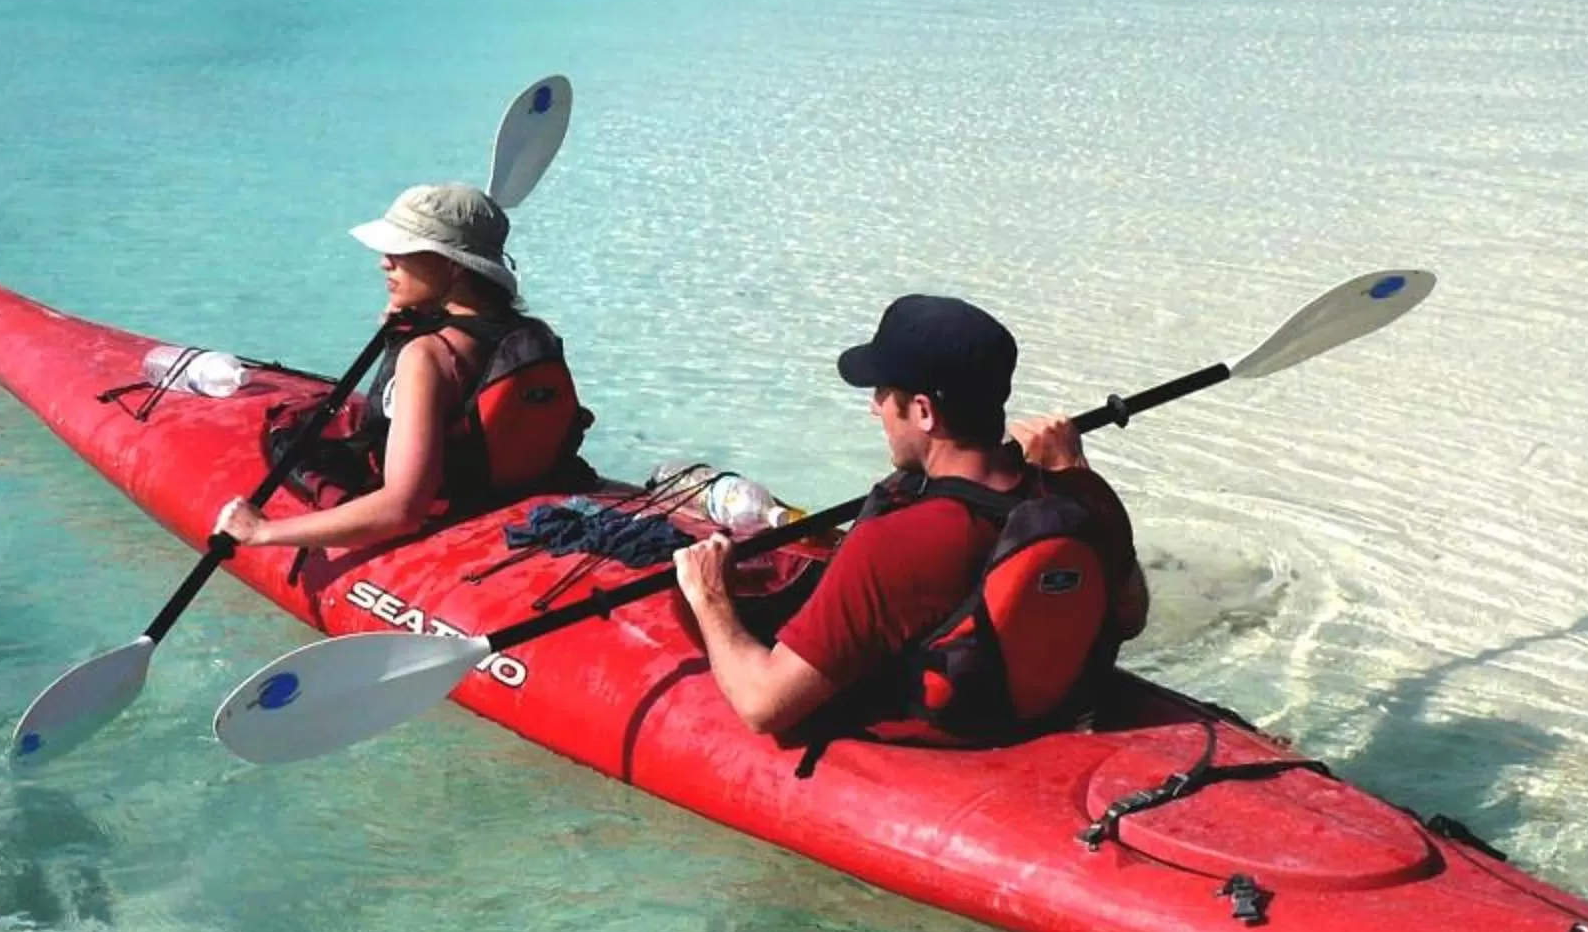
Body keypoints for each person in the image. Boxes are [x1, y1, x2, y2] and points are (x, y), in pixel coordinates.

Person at [673, 294, 1148, 744]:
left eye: (883, 393)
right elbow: (1131, 616)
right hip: (1046, 710)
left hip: (951, 736)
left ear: (923, 410)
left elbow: (764, 705)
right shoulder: (1083, 497)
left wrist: (710, 596)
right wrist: (1073, 469)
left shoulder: (894, 544)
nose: (874, 406)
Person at [215, 181, 587, 555]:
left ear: (453, 267)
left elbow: (402, 510)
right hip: (510, 491)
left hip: (446, 508)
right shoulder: (535, 335)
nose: (384, 261)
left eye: (402, 250)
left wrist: (262, 532)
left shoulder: (428, 355)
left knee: (290, 440)